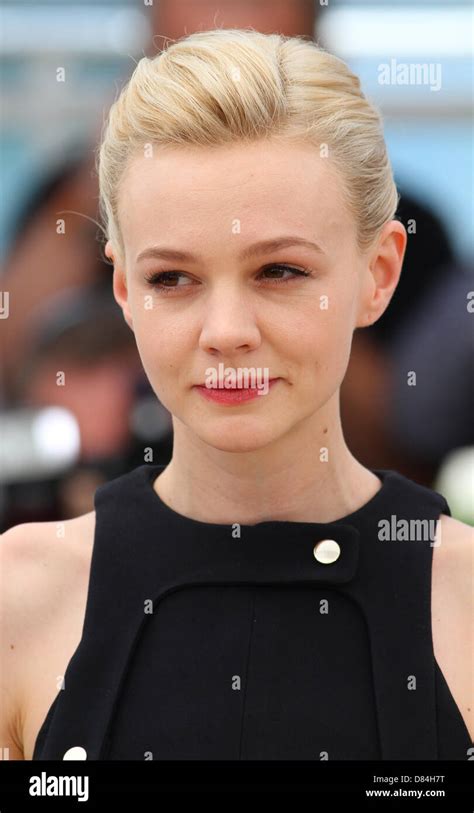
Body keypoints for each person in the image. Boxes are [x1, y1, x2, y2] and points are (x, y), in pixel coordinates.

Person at [1, 29, 472, 762]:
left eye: (279, 271)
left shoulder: (467, 599)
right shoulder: (19, 597)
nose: (225, 331)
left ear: (377, 273)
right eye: (173, 278)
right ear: (124, 288)